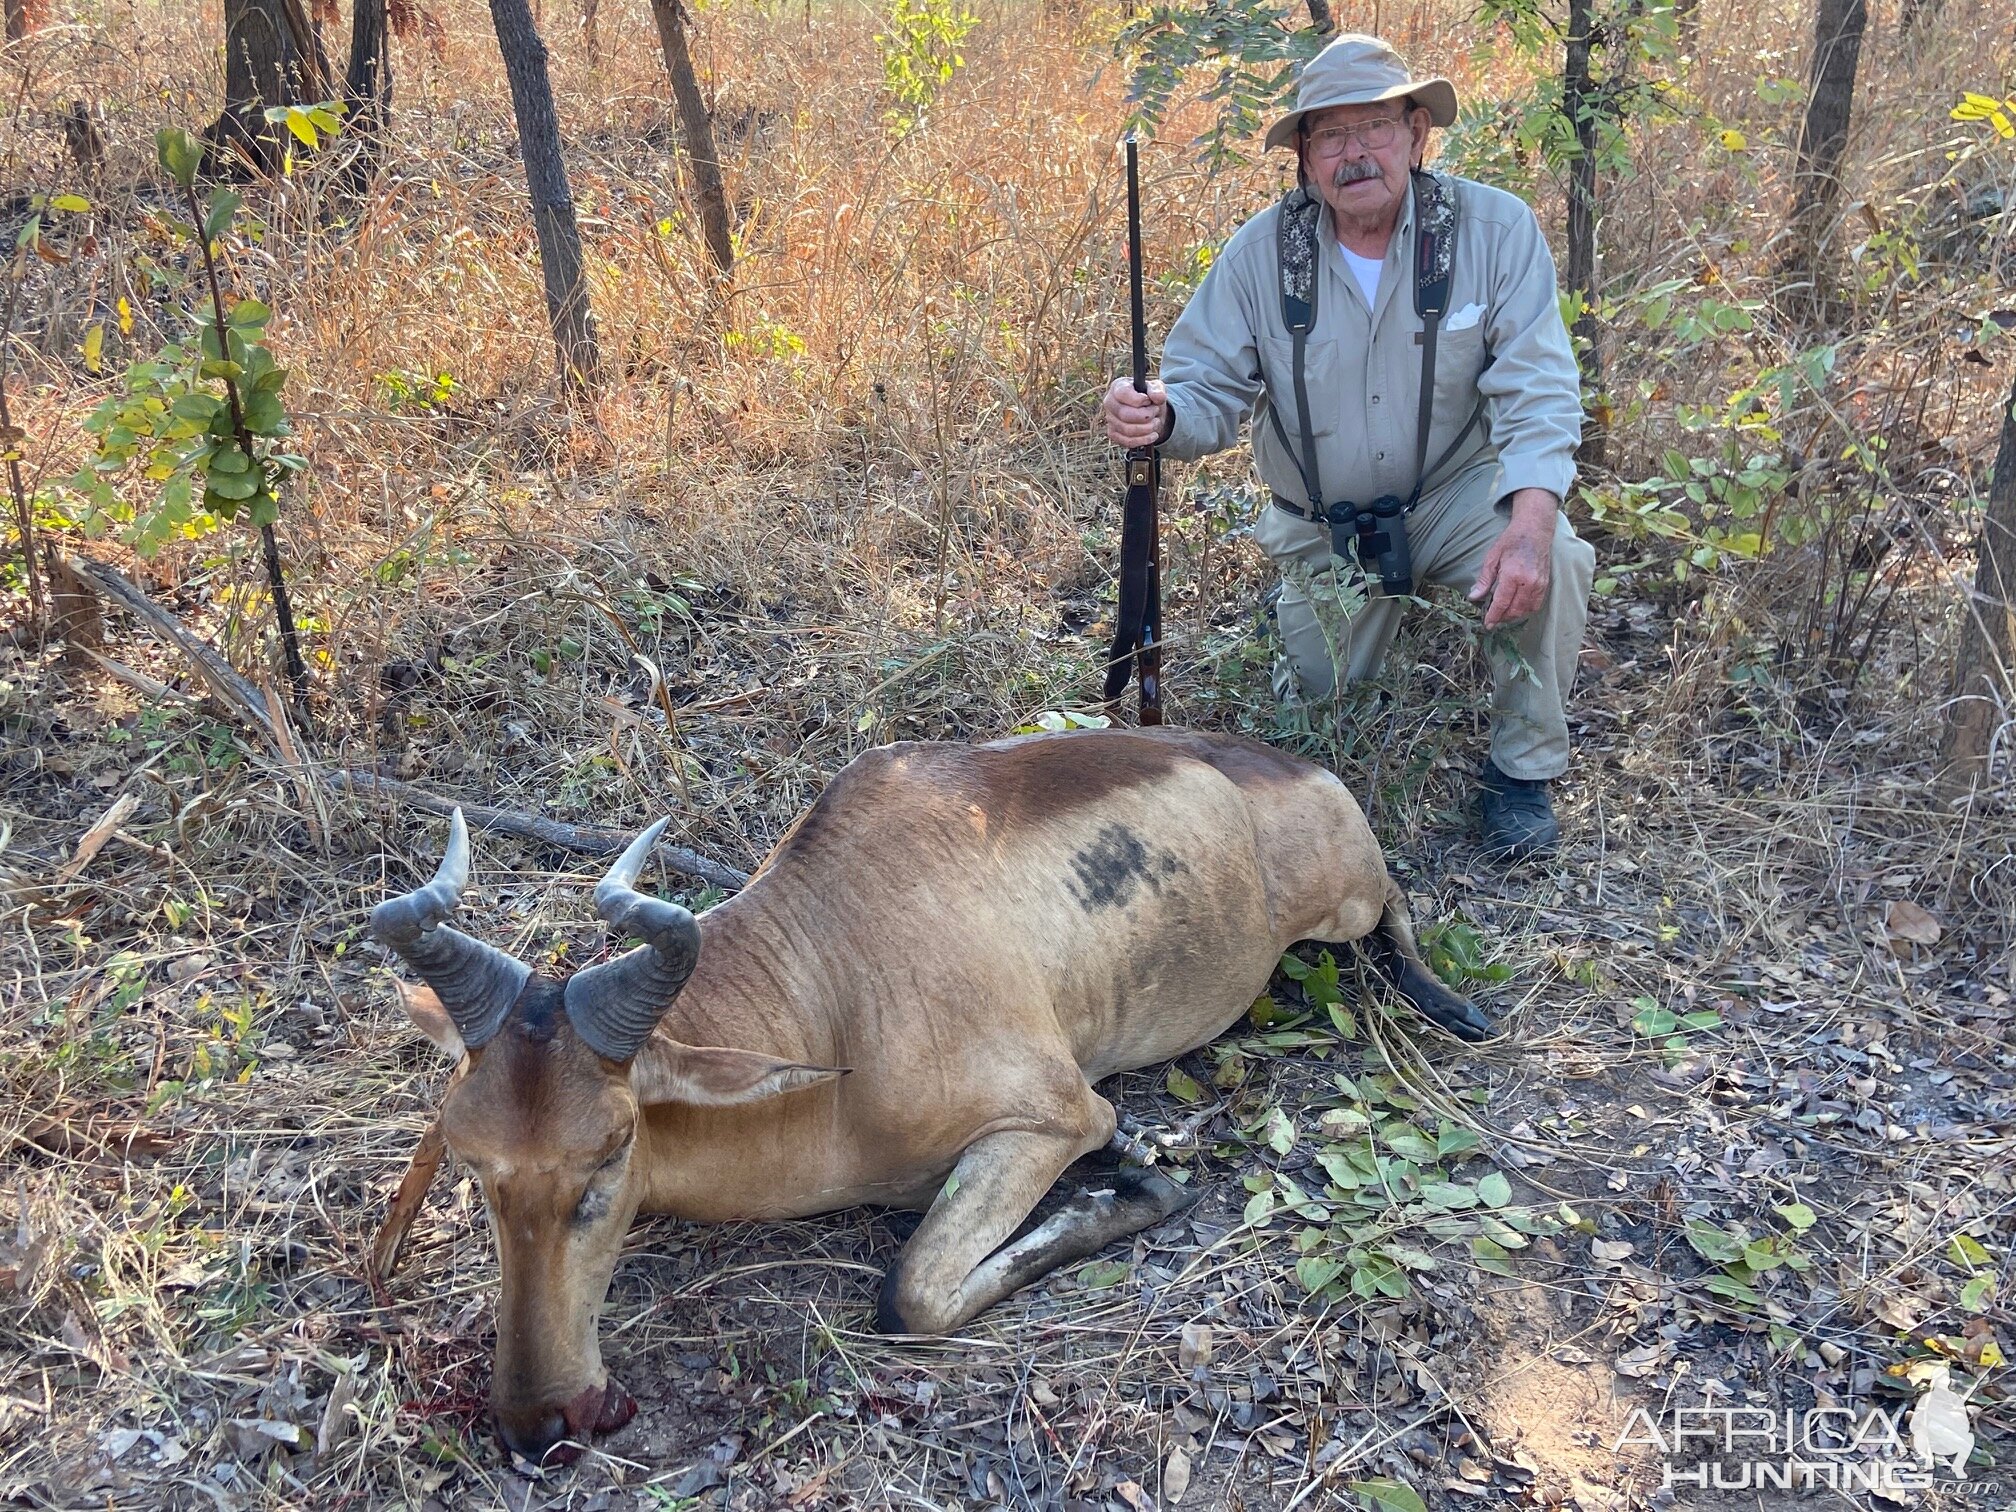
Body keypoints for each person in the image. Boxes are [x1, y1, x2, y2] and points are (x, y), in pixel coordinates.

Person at [1102, 33, 1595, 863]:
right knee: (1319, 731)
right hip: (1324, 523)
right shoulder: (1262, 255)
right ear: (1303, 155)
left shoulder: (1495, 230)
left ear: (1416, 134)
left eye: (1374, 127)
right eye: (1331, 135)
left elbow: (1539, 387)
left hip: (1451, 497)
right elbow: (1206, 391)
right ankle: (1318, 612)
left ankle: (1522, 770)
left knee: (1560, 557)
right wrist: (1159, 413)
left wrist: (1531, 520)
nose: (1354, 153)